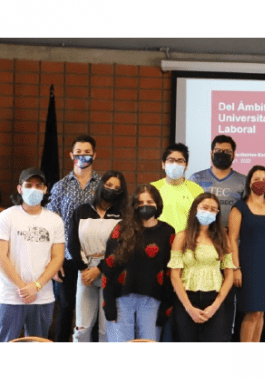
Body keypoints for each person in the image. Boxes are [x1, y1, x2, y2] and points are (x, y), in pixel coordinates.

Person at [188, 135, 245, 341]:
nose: (222, 154)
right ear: (211, 153)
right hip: (200, 246)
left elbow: (247, 213)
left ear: (234, 155)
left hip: (230, 246)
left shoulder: (242, 181)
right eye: (218, 151)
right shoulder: (195, 178)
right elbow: (191, 211)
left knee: (227, 294)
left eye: (227, 152)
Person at [102, 185, 175, 342]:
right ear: (134, 205)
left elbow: (170, 272)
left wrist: (167, 307)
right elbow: (109, 267)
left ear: (158, 204)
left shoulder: (167, 232)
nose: (145, 206)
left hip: (153, 301)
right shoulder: (122, 228)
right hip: (122, 299)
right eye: (140, 202)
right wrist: (108, 304)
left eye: (149, 201)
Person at [47, 134, 102, 342]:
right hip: (67, 258)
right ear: (71, 155)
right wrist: (55, 259)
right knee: (65, 308)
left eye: (87, 153)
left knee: (92, 313)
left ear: (94, 155)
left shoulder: (103, 185)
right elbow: (52, 223)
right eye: (78, 153)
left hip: (94, 259)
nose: (83, 156)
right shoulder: (61, 186)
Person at [0, 169, 65, 341]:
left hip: (42, 296)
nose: (33, 189)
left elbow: (57, 257)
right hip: (10, 296)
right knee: (6, 344)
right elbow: (1, 256)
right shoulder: (6, 217)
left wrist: (36, 286)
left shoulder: (55, 220)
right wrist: (23, 287)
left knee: (38, 346)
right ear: (20, 189)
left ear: (45, 190)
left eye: (38, 186)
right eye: (28, 185)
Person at [69, 171, 127, 342]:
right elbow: (72, 243)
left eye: (117, 188)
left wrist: (100, 269)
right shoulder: (82, 210)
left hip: (110, 271)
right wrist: (84, 269)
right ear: (101, 185)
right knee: (82, 327)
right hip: (85, 271)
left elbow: (122, 247)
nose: (111, 190)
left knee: (105, 329)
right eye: (109, 185)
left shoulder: (123, 214)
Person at [169, 193, 235, 342]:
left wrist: (215, 306)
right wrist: (189, 308)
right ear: (195, 209)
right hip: (186, 299)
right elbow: (174, 275)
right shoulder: (182, 237)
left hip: (214, 299)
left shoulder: (223, 238)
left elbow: (229, 276)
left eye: (213, 209)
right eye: (204, 207)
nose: (208, 212)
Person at [228, 165, 265, 342]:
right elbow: (232, 239)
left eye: (264, 179)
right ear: (249, 182)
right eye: (256, 179)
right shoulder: (239, 207)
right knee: (252, 312)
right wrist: (236, 267)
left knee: (261, 313)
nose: (261, 183)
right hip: (248, 265)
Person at [151, 142, 204, 233]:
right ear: (163, 164)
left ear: (186, 165)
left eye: (180, 161)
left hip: (186, 243)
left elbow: (200, 221)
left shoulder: (196, 190)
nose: (175, 164)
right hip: (159, 241)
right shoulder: (152, 188)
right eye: (171, 160)